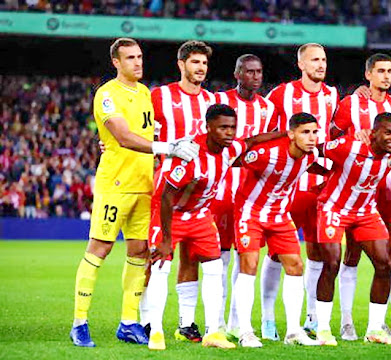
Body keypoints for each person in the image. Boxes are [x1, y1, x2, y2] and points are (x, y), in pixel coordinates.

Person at [70, 38, 198, 347]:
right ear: (116, 62)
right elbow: (124, 137)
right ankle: (79, 322)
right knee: (99, 248)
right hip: (115, 185)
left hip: (145, 185)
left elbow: (147, 135)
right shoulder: (107, 94)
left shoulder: (144, 94)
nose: (138, 63)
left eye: (140, 57)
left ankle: (128, 321)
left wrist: (162, 151)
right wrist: (168, 148)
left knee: (140, 252)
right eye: (130, 58)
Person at [147, 104, 283, 350]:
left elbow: (252, 141)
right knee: (161, 267)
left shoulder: (230, 150)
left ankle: (213, 333)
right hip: (169, 214)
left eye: (232, 127)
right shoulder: (190, 154)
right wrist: (166, 239)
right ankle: (156, 331)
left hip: (199, 215)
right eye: (223, 128)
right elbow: (167, 196)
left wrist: (286, 133)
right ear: (208, 127)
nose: (229, 133)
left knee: (214, 268)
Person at [140, 39, 216, 345]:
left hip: (201, 193)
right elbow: (139, 130)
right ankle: (145, 320)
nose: (200, 68)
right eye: (195, 62)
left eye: (205, 64)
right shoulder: (160, 96)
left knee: (194, 260)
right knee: (158, 259)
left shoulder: (212, 100)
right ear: (181, 64)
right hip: (167, 189)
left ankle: (186, 324)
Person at [265, 43, 339, 337]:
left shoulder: (332, 95)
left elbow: (336, 132)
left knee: (318, 251)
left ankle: (311, 316)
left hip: (320, 188)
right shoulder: (282, 94)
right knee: (275, 254)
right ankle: (268, 319)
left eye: (323, 59)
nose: (321, 65)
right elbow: (268, 132)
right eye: (315, 60)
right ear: (301, 64)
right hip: (286, 187)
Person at [232, 112, 324, 348]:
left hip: (279, 216)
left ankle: (293, 332)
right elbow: (234, 158)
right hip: (250, 212)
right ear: (291, 134)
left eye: (315, 132)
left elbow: (310, 167)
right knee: (249, 265)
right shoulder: (267, 153)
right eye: (305, 132)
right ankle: (245, 332)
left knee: (295, 265)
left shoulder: (310, 155)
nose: (312, 137)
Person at [329, 53, 391, 341]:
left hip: (389, 190)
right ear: (368, 74)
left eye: (390, 71)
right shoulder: (350, 103)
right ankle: (346, 320)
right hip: (356, 192)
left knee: (387, 258)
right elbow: (333, 138)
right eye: (381, 71)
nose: (386, 76)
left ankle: (380, 322)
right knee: (351, 255)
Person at [315, 112, 391, 346]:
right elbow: (313, 149)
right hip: (334, 208)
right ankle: (323, 329)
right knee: (332, 263)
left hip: (365, 212)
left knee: (384, 264)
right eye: (388, 132)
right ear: (373, 133)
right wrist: (322, 174)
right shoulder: (348, 146)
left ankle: (375, 329)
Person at [212, 54, 277, 339]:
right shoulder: (220, 101)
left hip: (252, 196)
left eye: (259, 72)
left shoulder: (268, 108)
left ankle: (238, 322)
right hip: (222, 192)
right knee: (220, 260)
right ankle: (216, 323)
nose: (255, 76)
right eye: (249, 71)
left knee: (245, 259)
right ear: (237, 73)